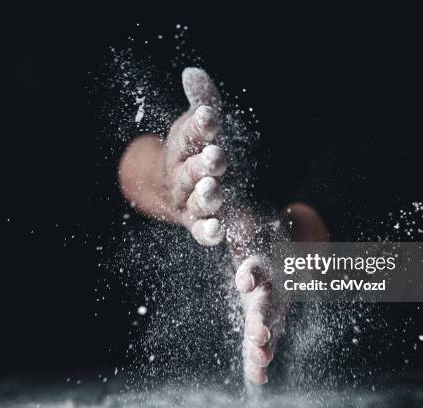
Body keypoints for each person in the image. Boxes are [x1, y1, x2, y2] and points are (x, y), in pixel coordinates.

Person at [118, 67, 327, 384]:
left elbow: (340, 201)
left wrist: (282, 250)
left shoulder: (325, 96)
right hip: (122, 358)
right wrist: (169, 180)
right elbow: (126, 162)